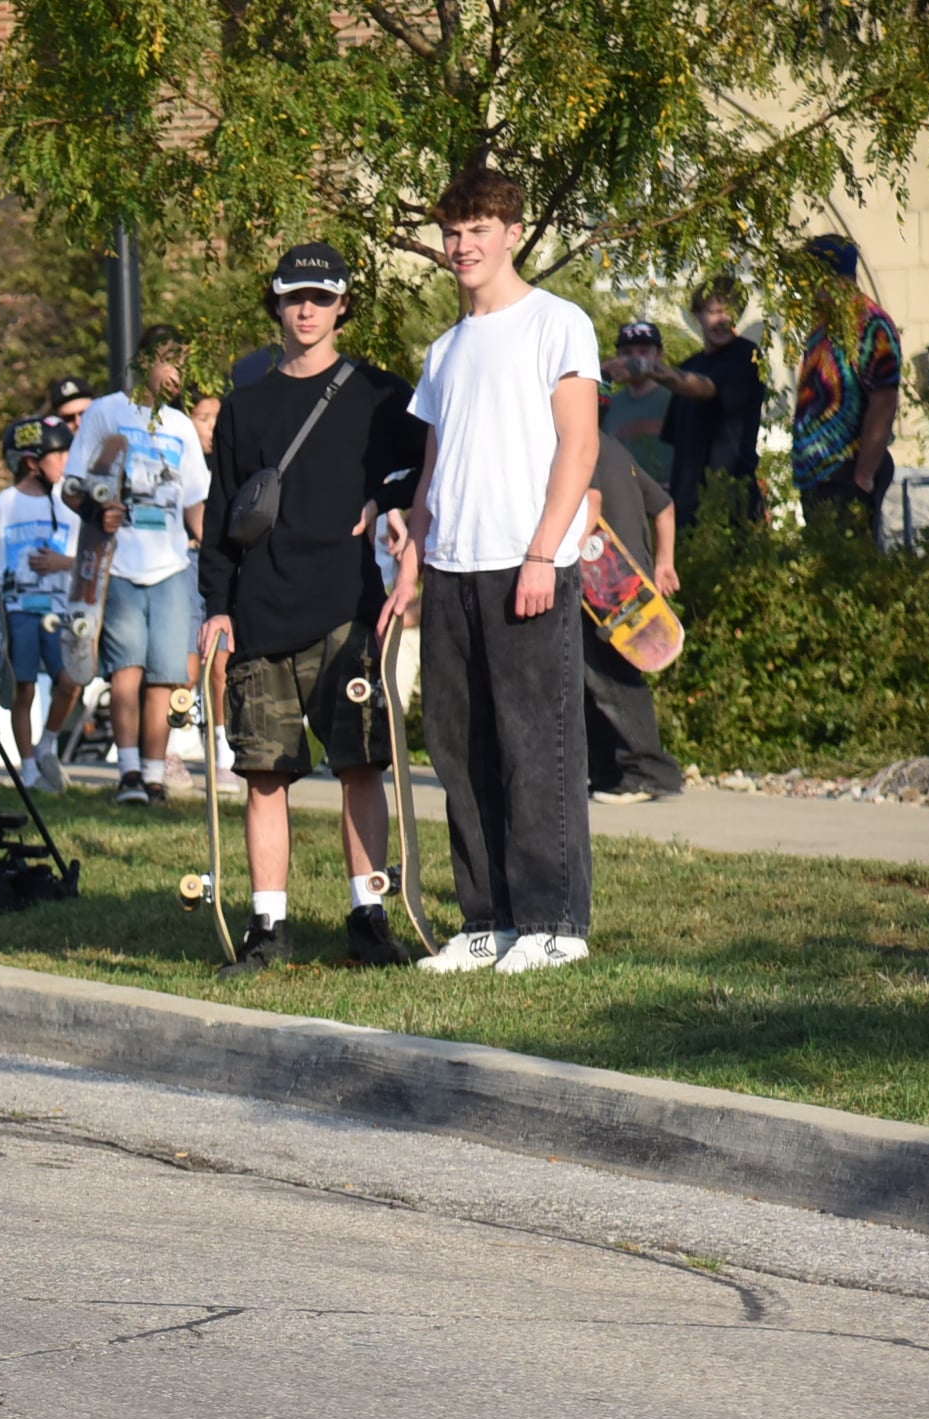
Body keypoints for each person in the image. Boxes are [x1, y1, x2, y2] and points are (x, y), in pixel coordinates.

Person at [384, 167, 604, 975]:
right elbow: (433, 471)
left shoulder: (558, 324)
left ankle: (555, 923)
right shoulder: (444, 349)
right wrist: (411, 561)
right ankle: (488, 922)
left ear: (512, 234)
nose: (462, 245)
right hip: (450, 567)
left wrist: (545, 550)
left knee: (536, 742)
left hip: (528, 560)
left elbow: (579, 447)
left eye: (479, 228)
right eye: (452, 231)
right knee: (459, 745)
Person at [196, 241, 432, 973]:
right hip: (261, 611)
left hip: (348, 610)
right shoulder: (245, 405)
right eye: (295, 296)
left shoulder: (380, 394)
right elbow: (220, 512)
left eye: (322, 298)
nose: (307, 310)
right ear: (276, 302)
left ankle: (370, 915)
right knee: (265, 773)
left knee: (361, 764)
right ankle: (269, 926)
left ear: (343, 306)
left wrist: (386, 498)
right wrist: (216, 606)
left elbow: (424, 468)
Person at [63, 324, 213, 805]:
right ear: (145, 361)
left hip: (170, 566)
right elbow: (71, 485)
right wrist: (95, 510)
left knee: (168, 676)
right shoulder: (107, 412)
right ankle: (127, 772)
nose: (176, 373)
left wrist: (219, 554)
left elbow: (195, 503)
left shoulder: (182, 426)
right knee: (125, 670)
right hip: (119, 563)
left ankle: (153, 774)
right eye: (169, 361)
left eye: (182, 363)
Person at [0, 417, 78, 789]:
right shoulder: (3, 505)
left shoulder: (70, 504)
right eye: (59, 453)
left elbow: (87, 561)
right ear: (32, 462)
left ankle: (47, 743)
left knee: (70, 680)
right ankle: (29, 767)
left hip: (59, 611)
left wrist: (60, 563)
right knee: (25, 688)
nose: (66, 460)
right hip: (18, 612)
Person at [580, 430, 686, 806]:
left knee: (611, 679)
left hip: (607, 583)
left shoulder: (576, 442)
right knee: (591, 678)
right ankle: (609, 772)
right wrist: (663, 563)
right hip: (630, 578)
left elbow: (590, 504)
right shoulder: (615, 448)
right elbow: (665, 505)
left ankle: (647, 772)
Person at [789, 235, 900, 544]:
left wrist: (863, 475)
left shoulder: (870, 324)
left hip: (847, 473)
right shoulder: (823, 326)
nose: (805, 284)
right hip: (819, 478)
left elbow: (885, 400)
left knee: (846, 568)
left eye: (811, 275)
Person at [661, 282, 765, 533]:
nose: (723, 319)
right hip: (686, 504)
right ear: (697, 314)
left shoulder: (746, 355)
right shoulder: (688, 366)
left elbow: (706, 388)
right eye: (714, 311)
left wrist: (648, 369)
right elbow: (673, 442)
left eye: (730, 312)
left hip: (731, 497)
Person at [601, 319, 677, 483]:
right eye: (627, 353)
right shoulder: (610, 405)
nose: (634, 360)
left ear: (659, 355)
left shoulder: (675, 400)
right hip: (625, 499)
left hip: (668, 497)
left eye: (643, 352)